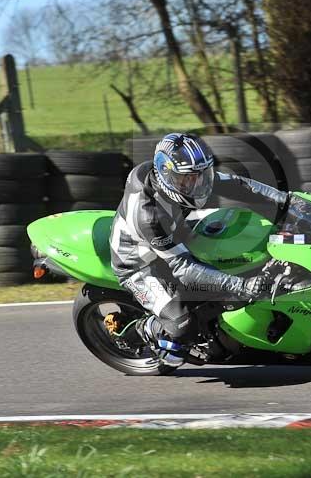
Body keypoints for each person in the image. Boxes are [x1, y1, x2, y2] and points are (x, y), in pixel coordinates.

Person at [109, 132, 289, 366]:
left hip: (176, 236)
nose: (198, 185)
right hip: (140, 264)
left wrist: (286, 200)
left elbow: (238, 185)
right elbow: (184, 268)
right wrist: (243, 286)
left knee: (245, 255)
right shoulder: (149, 215)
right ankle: (137, 331)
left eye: (202, 175)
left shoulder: (181, 178)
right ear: (166, 175)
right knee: (182, 327)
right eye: (188, 180)